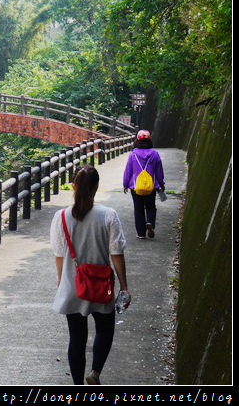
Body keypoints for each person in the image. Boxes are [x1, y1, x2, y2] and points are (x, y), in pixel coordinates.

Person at [50, 165, 130, 385]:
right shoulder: (108, 215)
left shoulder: (61, 217)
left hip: (72, 286)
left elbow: (58, 254)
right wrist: (123, 287)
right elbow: (116, 252)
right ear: (96, 187)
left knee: (76, 337)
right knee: (105, 329)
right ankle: (94, 373)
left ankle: (77, 385)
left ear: (74, 186)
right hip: (100, 286)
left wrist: (61, 281)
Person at [122, 130, 165, 239]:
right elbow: (159, 171)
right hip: (151, 187)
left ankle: (141, 233)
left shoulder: (133, 154)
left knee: (138, 209)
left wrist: (125, 184)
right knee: (151, 207)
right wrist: (161, 184)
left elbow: (128, 171)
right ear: (149, 140)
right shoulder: (155, 154)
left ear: (137, 140)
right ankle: (150, 222)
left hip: (136, 187)